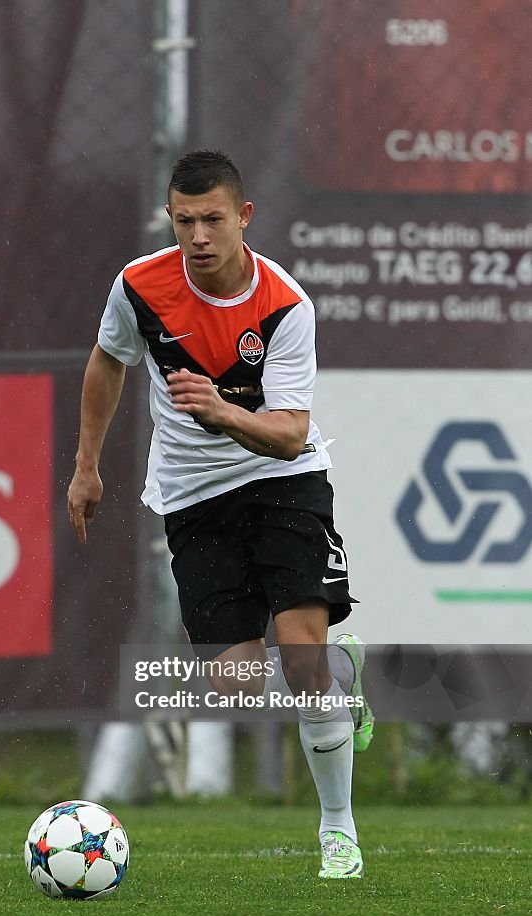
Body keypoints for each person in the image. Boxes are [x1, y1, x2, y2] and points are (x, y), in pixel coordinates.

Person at [68, 150, 374, 879]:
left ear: (242, 218)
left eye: (212, 219)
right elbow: (109, 360)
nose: (198, 236)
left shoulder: (284, 304)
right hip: (193, 498)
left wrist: (217, 408)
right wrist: (85, 466)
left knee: (299, 655)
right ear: (169, 218)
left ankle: (338, 833)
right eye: (183, 221)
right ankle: (335, 679)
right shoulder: (138, 285)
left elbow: (290, 433)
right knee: (234, 682)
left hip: (283, 482)